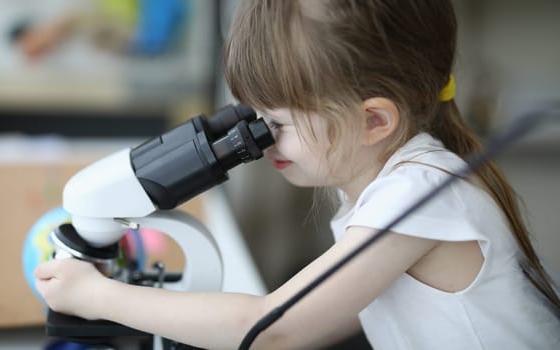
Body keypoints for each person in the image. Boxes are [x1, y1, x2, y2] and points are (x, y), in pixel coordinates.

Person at [34, 1, 560, 349]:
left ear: (374, 120)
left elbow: (270, 329)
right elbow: (330, 319)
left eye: (277, 123)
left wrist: (96, 298)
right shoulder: (396, 181)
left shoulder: (419, 192)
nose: (260, 139)